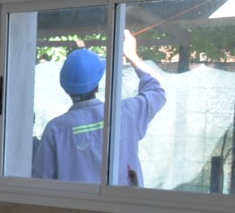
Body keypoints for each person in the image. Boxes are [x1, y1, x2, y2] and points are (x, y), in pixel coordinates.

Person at [33, 29, 165, 185]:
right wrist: (132, 56)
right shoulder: (125, 113)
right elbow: (158, 90)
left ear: (65, 88)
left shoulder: (56, 130)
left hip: (77, 202)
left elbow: (40, 182)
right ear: (97, 85)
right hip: (126, 201)